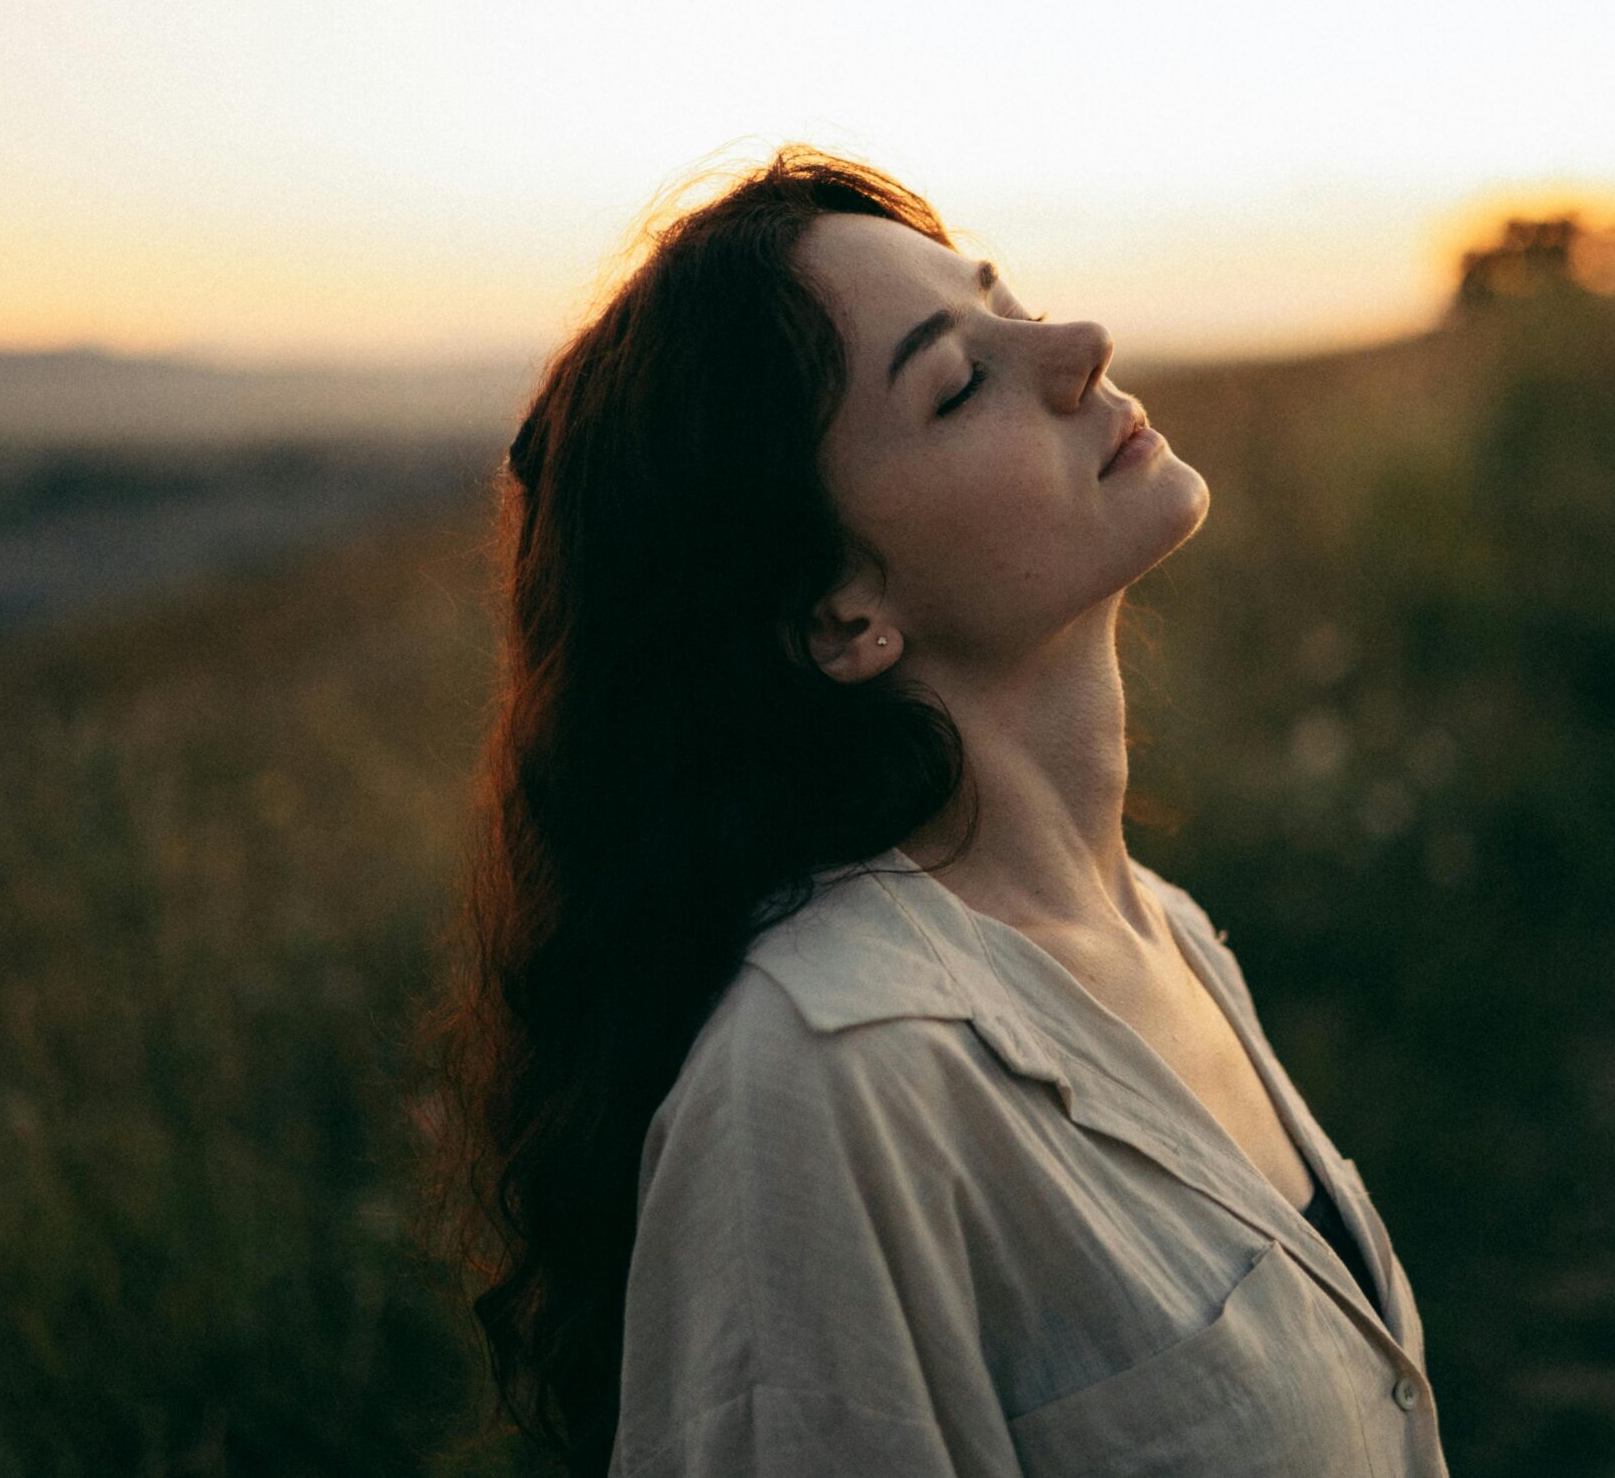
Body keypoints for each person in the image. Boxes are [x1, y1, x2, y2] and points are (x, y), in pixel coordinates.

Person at [429, 147, 1447, 1476]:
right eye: (959, 384)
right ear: (840, 615)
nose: (1080, 345)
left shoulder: (1164, 930)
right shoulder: (826, 1082)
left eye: (1007, 303)